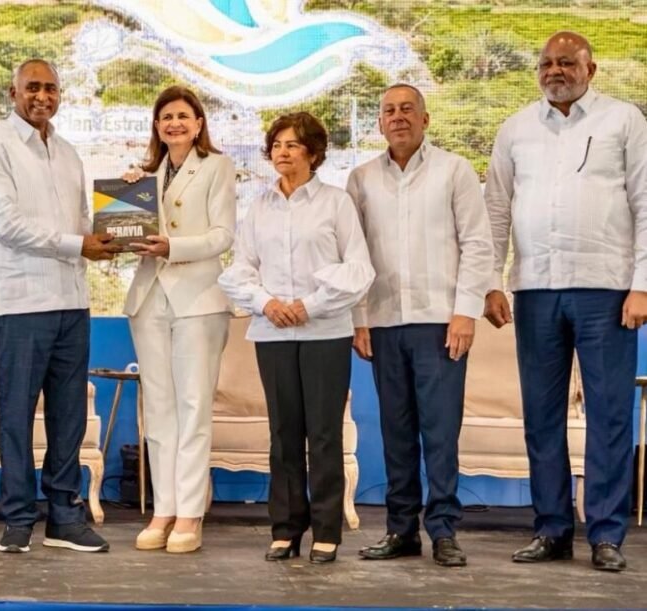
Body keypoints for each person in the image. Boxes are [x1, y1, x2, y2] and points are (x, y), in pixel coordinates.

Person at [484, 31, 647, 573]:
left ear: (590, 69)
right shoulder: (515, 129)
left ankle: (606, 534)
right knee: (541, 416)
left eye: (566, 63)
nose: (554, 71)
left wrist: (643, 284)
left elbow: (645, 201)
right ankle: (551, 529)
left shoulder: (624, 120)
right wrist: (491, 280)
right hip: (535, 289)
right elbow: (497, 209)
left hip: (607, 289)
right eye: (547, 63)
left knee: (609, 415)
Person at [0, 58, 117, 554]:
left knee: (68, 416)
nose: (42, 96)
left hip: (72, 301)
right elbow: (5, 224)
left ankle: (64, 517)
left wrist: (116, 234)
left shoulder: (69, 153)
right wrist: (80, 245)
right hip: (21, 302)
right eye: (32, 87)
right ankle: (17, 518)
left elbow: (81, 222)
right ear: (12, 93)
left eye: (51, 88)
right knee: (16, 415)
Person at [347, 84, 493, 568]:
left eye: (408, 109)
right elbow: (353, 254)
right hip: (384, 322)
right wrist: (359, 318)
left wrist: (466, 311)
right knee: (397, 431)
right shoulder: (361, 178)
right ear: (379, 123)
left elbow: (477, 243)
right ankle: (400, 529)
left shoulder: (455, 170)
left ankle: (444, 530)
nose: (398, 117)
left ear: (425, 119)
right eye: (389, 110)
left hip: (441, 323)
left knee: (440, 432)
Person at [219, 112, 374, 564]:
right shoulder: (260, 206)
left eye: (292, 145)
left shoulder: (336, 203)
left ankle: (326, 531)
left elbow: (358, 269)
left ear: (314, 153)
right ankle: (286, 529)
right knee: (283, 434)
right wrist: (266, 302)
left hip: (325, 331)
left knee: (323, 434)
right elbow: (241, 269)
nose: (282, 152)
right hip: (272, 332)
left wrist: (310, 305)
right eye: (276, 145)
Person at [121, 85, 235, 553]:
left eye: (183, 116)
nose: (174, 124)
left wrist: (174, 247)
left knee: (193, 408)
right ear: (156, 125)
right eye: (166, 116)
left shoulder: (217, 167)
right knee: (159, 411)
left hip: (198, 299)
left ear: (199, 123)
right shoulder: (142, 175)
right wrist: (124, 212)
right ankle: (163, 510)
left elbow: (223, 235)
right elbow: (127, 234)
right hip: (149, 299)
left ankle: (189, 513)